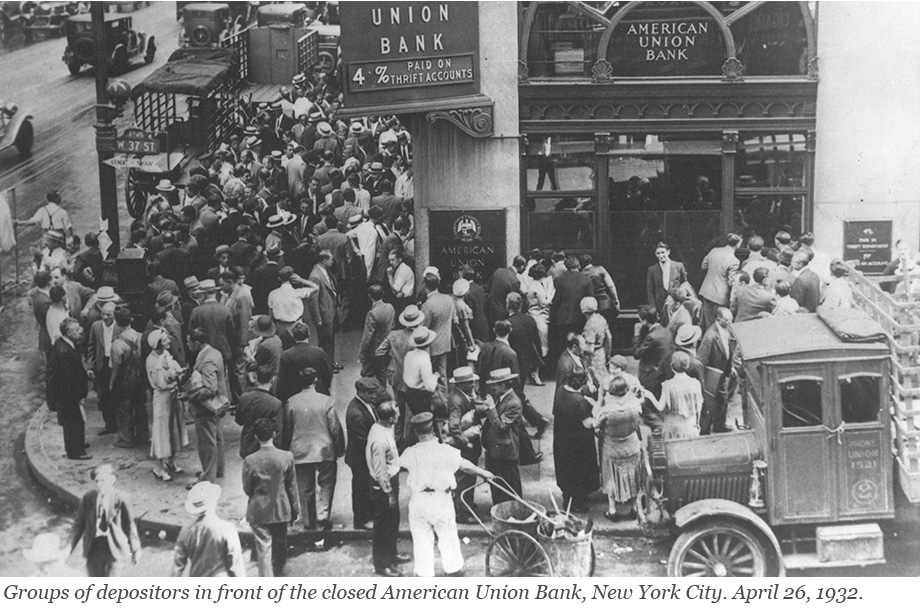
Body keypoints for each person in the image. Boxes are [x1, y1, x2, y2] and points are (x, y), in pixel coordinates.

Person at [399, 412, 494, 578]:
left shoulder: (409, 452)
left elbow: (394, 465)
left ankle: (423, 573)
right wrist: (484, 473)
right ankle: (453, 568)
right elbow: (466, 466)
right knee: (448, 534)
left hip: (419, 500)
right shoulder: (445, 450)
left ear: (415, 432)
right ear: (433, 430)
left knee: (421, 538)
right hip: (441, 499)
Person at [242, 418, 300, 577]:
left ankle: (267, 578)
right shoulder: (287, 456)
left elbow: (247, 489)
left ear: (256, 437)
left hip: (259, 509)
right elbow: (291, 486)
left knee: (263, 548)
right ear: (274, 434)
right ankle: (279, 571)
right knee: (280, 543)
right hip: (281, 508)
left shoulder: (249, 460)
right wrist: (295, 509)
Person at [289, 367, 344, 531]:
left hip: (300, 448)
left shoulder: (291, 402)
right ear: (315, 381)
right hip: (324, 447)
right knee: (326, 482)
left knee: (304, 487)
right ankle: (323, 515)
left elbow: (287, 427)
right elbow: (334, 427)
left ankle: (307, 520)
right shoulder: (326, 401)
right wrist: (338, 446)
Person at [68, 464, 141, 577]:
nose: (99, 484)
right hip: (93, 547)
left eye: (103, 480)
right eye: (97, 481)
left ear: (112, 480)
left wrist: (135, 549)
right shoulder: (89, 497)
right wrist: (68, 548)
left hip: (114, 548)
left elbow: (130, 525)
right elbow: (78, 525)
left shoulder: (120, 498)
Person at [366, 401, 410, 577]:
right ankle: (382, 564)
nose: (399, 417)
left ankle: (392, 555)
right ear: (390, 418)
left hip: (391, 481)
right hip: (384, 487)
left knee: (392, 522)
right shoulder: (379, 440)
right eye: (397, 414)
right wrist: (389, 493)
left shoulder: (384, 428)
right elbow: (380, 471)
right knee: (383, 527)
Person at [184, 328, 229, 485]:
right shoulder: (214, 352)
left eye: (189, 342)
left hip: (206, 407)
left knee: (206, 443)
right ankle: (217, 469)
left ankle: (207, 477)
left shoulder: (207, 360)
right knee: (216, 437)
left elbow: (210, 388)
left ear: (197, 343)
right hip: (218, 404)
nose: (187, 345)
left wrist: (189, 395)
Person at [173, 482, 246, 577]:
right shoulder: (227, 529)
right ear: (214, 502)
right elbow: (235, 566)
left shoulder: (186, 530)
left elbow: (177, 567)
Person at [595, 377, 643, 521]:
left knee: (611, 477)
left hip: (613, 446)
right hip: (632, 445)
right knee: (633, 476)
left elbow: (595, 425)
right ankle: (634, 508)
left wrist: (598, 401)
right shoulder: (635, 405)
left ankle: (612, 509)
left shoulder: (607, 410)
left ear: (611, 391)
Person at [553, 368, 599, 513]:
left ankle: (568, 498)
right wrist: (596, 407)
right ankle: (578, 503)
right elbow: (589, 423)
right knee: (580, 471)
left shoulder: (560, 391)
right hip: (579, 443)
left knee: (565, 470)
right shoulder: (580, 402)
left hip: (562, 439)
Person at [377, 304, 424, 439]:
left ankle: (397, 437)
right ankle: (413, 437)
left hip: (397, 377)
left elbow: (379, 351)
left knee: (398, 408)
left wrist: (391, 361)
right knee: (415, 409)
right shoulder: (419, 338)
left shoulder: (393, 335)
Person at [146, 329, 188, 481]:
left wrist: (179, 374)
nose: (169, 341)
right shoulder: (151, 361)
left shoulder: (166, 355)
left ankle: (171, 461)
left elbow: (174, 370)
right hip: (162, 398)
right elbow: (160, 383)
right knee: (161, 431)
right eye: (165, 340)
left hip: (172, 396)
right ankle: (158, 467)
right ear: (157, 344)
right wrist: (174, 379)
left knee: (174, 429)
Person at [478, 368, 523, 506]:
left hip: (506, 453)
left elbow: (501, 427)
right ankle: (499, 510)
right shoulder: (501, 397)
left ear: (503, 386)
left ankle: (513, 513)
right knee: (496, 485)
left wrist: (491, 408)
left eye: (495, 385)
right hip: (496, 450)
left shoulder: (513, 403)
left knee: (509, 488)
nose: (492, 387)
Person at [49, 318, 91, 460]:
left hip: (68, 393)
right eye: (76, 329)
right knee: (74, 421)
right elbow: (68, 378)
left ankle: (77, 444)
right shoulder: (64, 351)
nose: (80, 331)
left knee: (75, 421)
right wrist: (78, 395)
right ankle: (75, 452)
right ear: (68, 332)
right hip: (69, 394)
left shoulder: (64, 344)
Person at [445, 367, 483, 524]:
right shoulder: (457, 401)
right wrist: (465, 443)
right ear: (462, 385)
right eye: (470, 382)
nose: (473, 384)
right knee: (464, 480)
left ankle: (467, 504)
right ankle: (461, 512)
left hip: (467, 448)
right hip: (464, 450)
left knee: (468, 479)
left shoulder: (461, 396)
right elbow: (454, 426)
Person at [345, 377, 382, 530]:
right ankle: (361, 520)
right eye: (370, 393)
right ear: (361, 392)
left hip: (364, 456)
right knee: (361, 489)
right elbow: (363, 441)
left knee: (366, 488)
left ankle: (368, 516)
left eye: (375, 393)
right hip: (360, 458)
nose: (374, 396)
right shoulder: (356, 414)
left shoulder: (365, 405)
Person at [109, 307, 148, 448]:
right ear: (131, 319)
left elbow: (116, 366)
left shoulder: (117, 344)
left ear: (117, 323)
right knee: (140, 407)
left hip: (124, 379)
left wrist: (112, 383)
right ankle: (143, 436)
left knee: (123, 409)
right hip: (140, 377)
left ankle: (126, 439)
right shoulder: (140, 336)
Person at [697, 307, 739, 434]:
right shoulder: (710, 336)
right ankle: (705, 429)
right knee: (710, 402)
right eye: (727, 320)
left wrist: (730, 366)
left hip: (722, 372)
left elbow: (727, 350)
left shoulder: (726, 329)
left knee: (723, 399)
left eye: (731, 320)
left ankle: (719, 425)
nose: (730, 323)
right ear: (718, 319)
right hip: (712, 376)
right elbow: (701, 359)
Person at [644, 351, 704, 439]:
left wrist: (650, 395)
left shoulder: (668, 385)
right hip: (690, 425)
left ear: (672, 367)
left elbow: (660, 407)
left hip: (674, 428)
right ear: (687, 366)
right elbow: (698, 407)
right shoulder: (696, 383)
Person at [236, 364, 283, 459]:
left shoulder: (244, 397)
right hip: (267, 450)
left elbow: (239, 421)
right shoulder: (276, 404)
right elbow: (277, 432)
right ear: (272, 380)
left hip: (247, 446)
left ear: (257, 378)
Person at [550, 255, 593, 360]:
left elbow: (556, 300)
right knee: (581, 344)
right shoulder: (586, 280)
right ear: (578, 266)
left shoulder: (559, 279)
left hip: (564, 317)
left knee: (565, 346)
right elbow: (590, 300)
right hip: (581, 318)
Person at [85, 300, 119, 436]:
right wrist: (90, 366)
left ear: (114, 315)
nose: (105, 317)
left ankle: (120, 424)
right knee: (104, 396)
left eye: (109, 315)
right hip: (102, 365)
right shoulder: (96, 326)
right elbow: (91, 347)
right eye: (103, 314)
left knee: (117, 395)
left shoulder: (119, 327)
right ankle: (109, 424)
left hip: (115, 364)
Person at [277, 321, 333, 400]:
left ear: (293, 336)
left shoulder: (286, 355)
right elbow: (328, 373)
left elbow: (282, 380)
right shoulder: (319, 352)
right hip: (317, 392)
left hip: (295, 395)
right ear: (309, 334)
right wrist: (325, 387)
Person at [419, 269, 455, 383]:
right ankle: (443, 399)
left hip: (431, 347)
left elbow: (423, 329)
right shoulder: (448, 299)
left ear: (424, 285)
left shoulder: (428, 305)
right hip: (445, 343)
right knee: (442, 375)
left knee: (428, 378)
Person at [699, 233, 741, 331]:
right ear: (738, 244)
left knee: (708, 323)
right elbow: (731, 282)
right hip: (721, 296)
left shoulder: (714, 251)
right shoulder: (734, 260)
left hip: (707, 291)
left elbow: (703, 266)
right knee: (720, 324)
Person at [308, 249, 340, 370]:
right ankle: (326, 366)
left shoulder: (324, 271)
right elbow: (313, 301)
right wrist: (317, 319)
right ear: (324, 261)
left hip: (330, 311)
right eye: (331, 260)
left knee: (330, 340)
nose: (333, 262)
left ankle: (331, 362)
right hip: (324, 314)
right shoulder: (315, 277)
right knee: (325, 343)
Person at [633, 306, 675, 400]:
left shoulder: (651, 337)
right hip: (663, 371)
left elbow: (637, 354)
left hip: (650, 375)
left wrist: (636, 335)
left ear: (644, 321)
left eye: (640, 319)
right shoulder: (666, 331)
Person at [402, 325, 439, 423]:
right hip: (421, 395)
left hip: (409, 391)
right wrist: (435, 377)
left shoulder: (409, 354)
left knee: (414, 420)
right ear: (428, 343)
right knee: (427, 422)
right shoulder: (424, 359)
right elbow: (430, 386)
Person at [359, 282, 395, 382]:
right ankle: (382, 393)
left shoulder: (372, 313)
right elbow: (392, 325)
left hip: (374, 349)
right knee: (382, 372)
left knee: (367, 373)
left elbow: (367, 337)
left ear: (369, 296)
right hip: (387, 346)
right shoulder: (390, 307)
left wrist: (361, 354)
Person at [646, 242, 687, 327]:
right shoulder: (652, 269)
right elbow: (650, 290)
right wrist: (653, 308)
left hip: (675, 304)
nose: (661, 256)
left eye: (663, 252)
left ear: (668, 252)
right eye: (658, 253)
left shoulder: (678, 266)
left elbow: (685, 285)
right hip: (660, 305)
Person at [522, 264, 554, 365]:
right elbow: (543, 303)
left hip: (532, 315)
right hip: (540, 318)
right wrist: (551, 298)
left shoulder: (532, 284)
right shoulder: (538, 287)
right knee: (542, 345)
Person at [580, 296, 611, 385]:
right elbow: (609, 337)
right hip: (601, 353)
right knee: (603, 378)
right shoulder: (601, 318)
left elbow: (589, 348)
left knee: (594, 380)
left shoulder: (590, 325)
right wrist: (608, 354)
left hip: (592, 357)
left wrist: (579, 344)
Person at [487, 259, 523, 327]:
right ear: (521, 267)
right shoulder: (514, 280)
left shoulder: (498, 271)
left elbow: (488, 287)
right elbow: (514, 301)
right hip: (504, 316)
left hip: (491, 310)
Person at [790, 248, 822, 312]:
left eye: (793, 262)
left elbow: (795, 302)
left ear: (800, 264)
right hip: (813, 312)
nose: (791, 264)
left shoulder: (800, 279)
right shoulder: (815, 275)